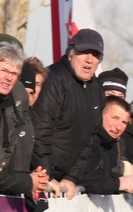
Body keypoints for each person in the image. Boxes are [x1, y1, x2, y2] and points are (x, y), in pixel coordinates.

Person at [31, 28, 106, 198]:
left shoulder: (97, 90)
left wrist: (72, 177)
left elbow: (91, 139)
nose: (89, 59)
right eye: (84, 52)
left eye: (95, 55)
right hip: (42, 180)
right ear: (71, 54)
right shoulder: (53, 78)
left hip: (67, 185)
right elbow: (39, 131)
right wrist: (47, 176)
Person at [0, 42, 48, 196]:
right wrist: (29, 182)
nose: (8, 77)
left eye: (14, 74)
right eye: (4, 70)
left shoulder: (15, 104)